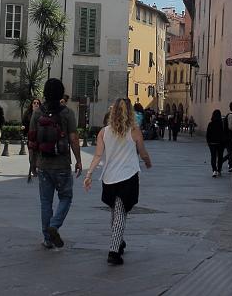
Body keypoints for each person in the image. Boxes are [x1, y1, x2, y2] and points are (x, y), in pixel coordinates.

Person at [84, 99, 152, 265]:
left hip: (109, 178)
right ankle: (113, 252)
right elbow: (142, 152)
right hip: (128, 177)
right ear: (130, 113)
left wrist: (89, 174)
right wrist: (147, 161)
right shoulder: (134, 131)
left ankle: (118, 241)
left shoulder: (104, 132)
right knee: (120, 213)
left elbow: (98, 155)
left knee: (116, 212)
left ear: (113, 112)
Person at [28, 79, 82, 249]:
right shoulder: (67, 113)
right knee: (66, 197)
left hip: (43, 164)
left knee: (46, 202)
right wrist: (78, 160)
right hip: (62, 164)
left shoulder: (37, 113)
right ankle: (54, 225)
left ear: (45, 92)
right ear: (61, 93)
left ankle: (47, 238)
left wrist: (32, 163)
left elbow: (32, 140)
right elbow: (73, 139)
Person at [206, 110, 224, 177]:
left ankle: (214, 170)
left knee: (213, 156)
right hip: (220, 143)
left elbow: (208, 134)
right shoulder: (221, 124)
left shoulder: (210, 124)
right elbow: (223, 134)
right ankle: (219, 170)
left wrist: (208, 142)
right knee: (220, 157)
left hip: (212, 143)